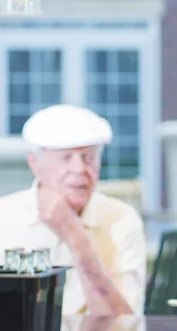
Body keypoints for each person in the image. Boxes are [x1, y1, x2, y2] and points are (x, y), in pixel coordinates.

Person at [0, 105, 146, 315]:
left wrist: (74, 234)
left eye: (88, 158)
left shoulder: (121, 219)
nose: (79, 170)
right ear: (34, 162)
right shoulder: (5, 216)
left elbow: (123, 321)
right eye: (66, 158)